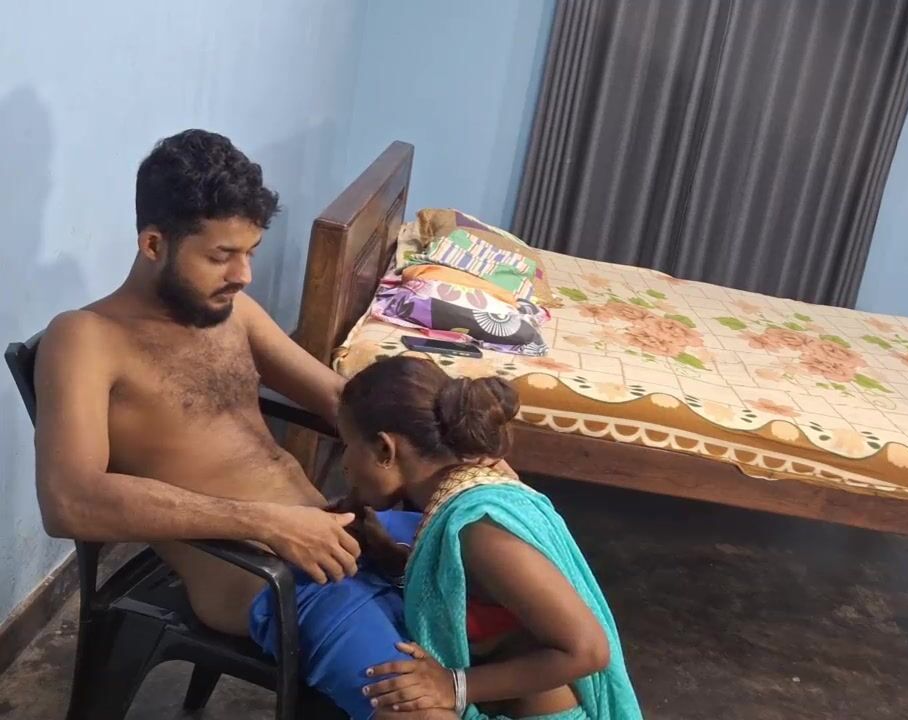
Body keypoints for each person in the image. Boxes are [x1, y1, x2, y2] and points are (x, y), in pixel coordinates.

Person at [33, 129, 418, 718]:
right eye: (220, 256)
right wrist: (268, 523)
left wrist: (449, 461)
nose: (243, 275)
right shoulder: (86, 339)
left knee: (522, 600)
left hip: (338, 534)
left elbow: (343, 401)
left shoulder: (232, 312)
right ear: (154, 244)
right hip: (271, 581)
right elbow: (70, 501)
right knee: (414, 704)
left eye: (250, 253)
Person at [333, 356, 642, 719]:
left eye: (347, 444)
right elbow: (470, 591)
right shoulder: (463, 493)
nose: (344, 464)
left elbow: (587, 650)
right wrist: (389, 555)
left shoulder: (479, 529)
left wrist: (454, 685)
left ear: (386, 449)